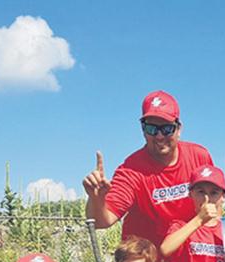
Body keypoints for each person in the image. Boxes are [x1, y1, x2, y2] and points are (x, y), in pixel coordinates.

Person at [83, 90, 213, 249]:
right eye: (151, 128)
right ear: (143, 130)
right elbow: (101, 221)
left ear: (179, 129)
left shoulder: (199, 157)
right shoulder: (131, 170)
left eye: (166, 129)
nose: (159, 136)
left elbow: (214, 208)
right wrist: (96, 198)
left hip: (187, 259)